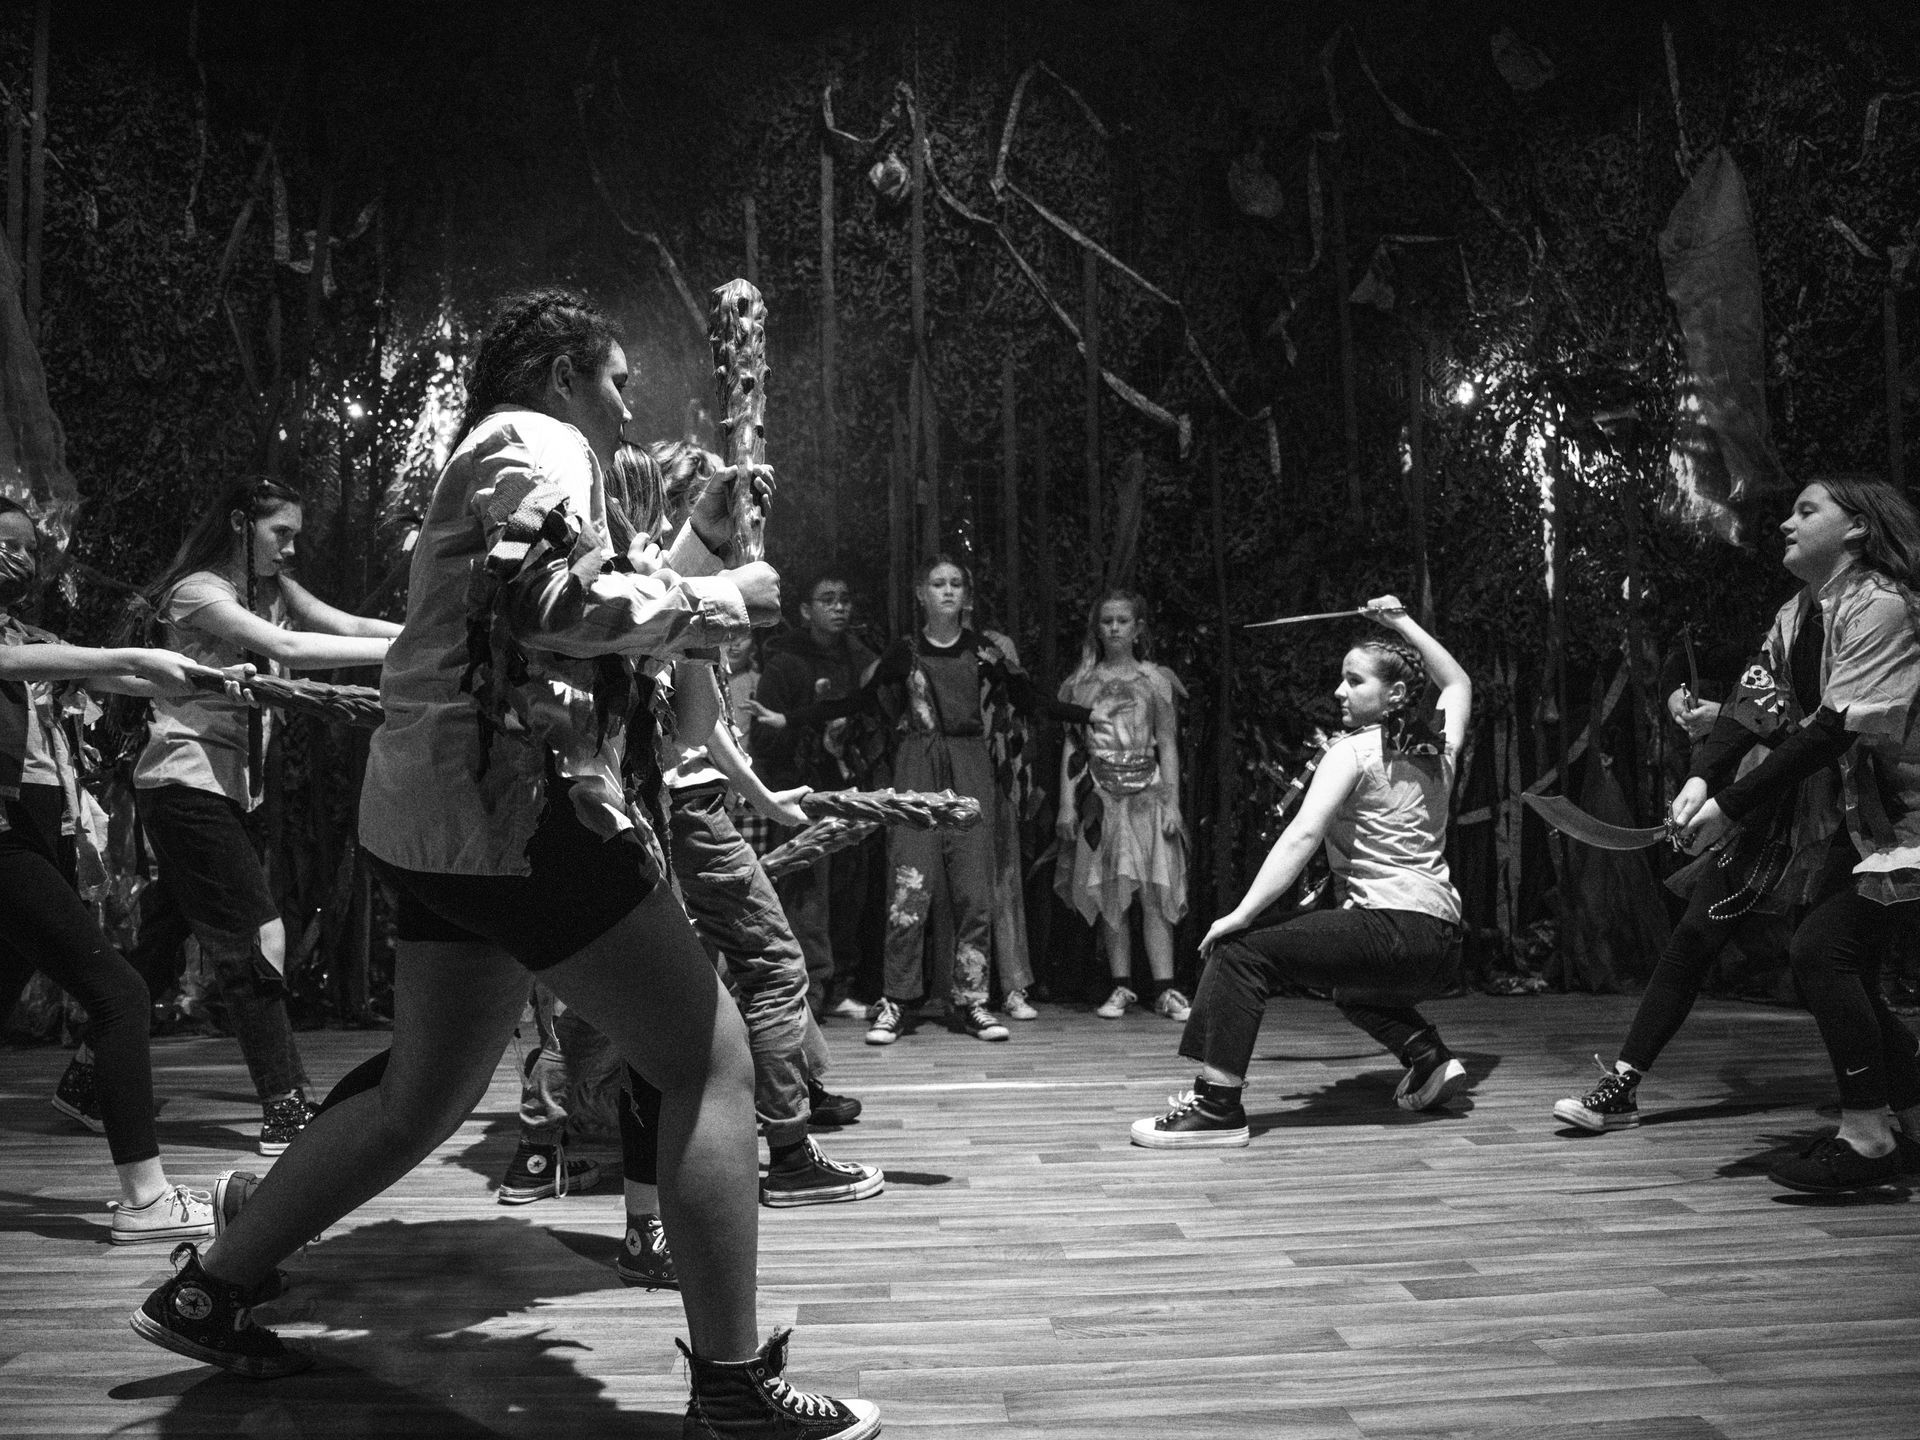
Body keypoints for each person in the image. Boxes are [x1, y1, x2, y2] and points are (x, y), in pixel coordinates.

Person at [129, 289, 879, 1440]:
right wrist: (718, 594)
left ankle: (209, 1288)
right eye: (617, 381)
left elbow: (586, 617)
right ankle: (734, 1391)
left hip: (443, 829)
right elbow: (552, 602)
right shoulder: (537, 438)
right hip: (520, 815)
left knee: (419, 1099)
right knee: (710, 1064)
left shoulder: (509, 455)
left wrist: (702, 542)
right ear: (564, 375)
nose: (629, 409)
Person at [1131, 597, 1472, 1148]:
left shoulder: (1353, 752)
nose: (1339, 691)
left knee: (1240, 952)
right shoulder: (1441, 746)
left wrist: (1240, 915)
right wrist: (1402, 622)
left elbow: (1302, 837)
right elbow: (1456, 682)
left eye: (1354, 681)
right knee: (1348, 986)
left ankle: (1217, 1107)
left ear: (1395, 695)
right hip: (1441, 942)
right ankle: (1427, 1056)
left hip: (1388, 927)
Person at [126, 478, 397, 1154]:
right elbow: (294, 651)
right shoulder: (199, 592)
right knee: (258, 935)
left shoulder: (274, 590)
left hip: (225, 792)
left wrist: (429, 639)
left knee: (159, 948)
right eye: (281, 532)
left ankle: (87, 1083)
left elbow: (347, 626)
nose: (291, 547)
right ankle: (284, 1106)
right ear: (241, 524)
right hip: (184, 785)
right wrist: (412, 653)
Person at [1667, 476, 1920, 1193]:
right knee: (1835, 963)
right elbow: (1752, 705)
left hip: (1907, 818)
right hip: (1864, 820)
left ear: (1857, 529)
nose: (1786, 522)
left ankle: (1867, 1136)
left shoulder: (1882, 607)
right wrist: (1701, 779)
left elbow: (1833, 728)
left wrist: (1731, 805)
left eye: (1807, 510)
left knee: (1823, 952)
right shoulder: (1798, 612)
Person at [0, 496, 222, 1243]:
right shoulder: (16, 648)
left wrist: (205, 678)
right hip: (4, 839)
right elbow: (61, 664)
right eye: (2, 544)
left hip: (35, 835)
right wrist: (124, 658)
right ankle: (146, 1199)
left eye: (27, 548)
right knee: (121, 994)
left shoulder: (29, 637)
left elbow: (110, 678)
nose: (17, 559)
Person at [814, 556, 1109, 1043]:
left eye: (955, 584)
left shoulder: (984, 653)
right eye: (938, 583)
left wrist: (1085, 714)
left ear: (966, 596)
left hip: (970, 768)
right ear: (921, 593)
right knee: (909, 888)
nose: (947, 591)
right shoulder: (905, 653)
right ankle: (896, 1001)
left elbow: (1030, 699)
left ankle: (972, 1001)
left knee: (974, 892)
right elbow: (862, 702)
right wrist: (793, 717)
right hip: (916, 768)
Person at [746, 570, 882, 1018]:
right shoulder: (786, 663)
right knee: (807, 896)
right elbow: (763, 738)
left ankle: (839, 987)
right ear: (805, 610)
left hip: (849, 787)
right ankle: (809, 993)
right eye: (827, 599)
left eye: (844, 598)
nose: (839, 607)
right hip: (802, 793)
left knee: (849, 891)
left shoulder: (859, 660)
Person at [1055, 589, 1191, 1022]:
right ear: (1097, 628)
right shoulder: (1081, 683)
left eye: (1122, 621)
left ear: (1138, 628)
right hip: (1101, 795)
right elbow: (1072, 746)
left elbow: (1167, 743)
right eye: (1107, 621)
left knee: (1154, 891)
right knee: (1113, 890)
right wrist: (1066, 803)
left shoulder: (1155, 681)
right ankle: (1121, 984)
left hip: (1147, 795)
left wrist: (1173, 802)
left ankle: (1165, 988)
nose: (1114, 628)